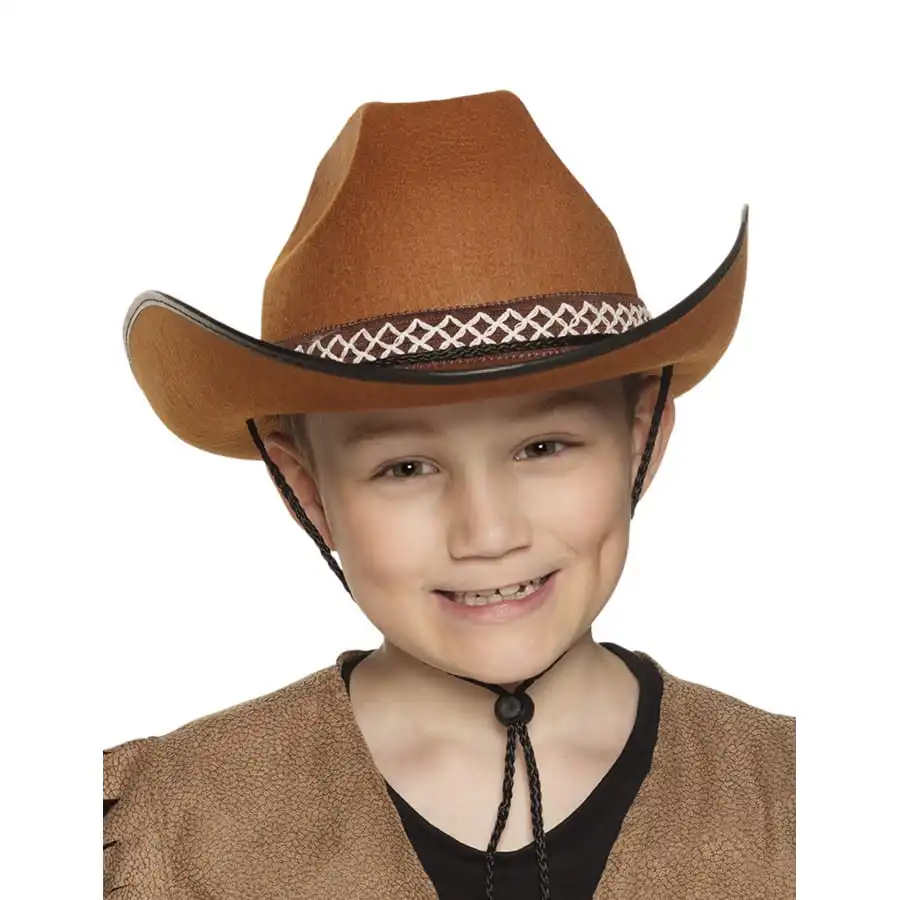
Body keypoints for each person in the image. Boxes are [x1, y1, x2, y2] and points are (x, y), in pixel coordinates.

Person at [104, 89, 795, 899]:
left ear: (640, 440)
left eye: (543, 447)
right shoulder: (175, 831)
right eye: (406, 468)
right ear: (306, 489)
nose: (488, 533)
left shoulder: (801, 805)